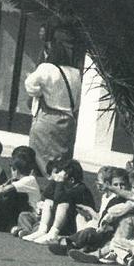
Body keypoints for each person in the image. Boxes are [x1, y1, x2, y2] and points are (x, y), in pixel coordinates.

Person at [24, 30, 81, 175]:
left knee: (40, 160)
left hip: (48, 118)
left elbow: (29, 84)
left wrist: (40, 93)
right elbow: (77, 100)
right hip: (68, 121)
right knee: (62, 161)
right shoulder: (75, 72)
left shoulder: (46, 68)